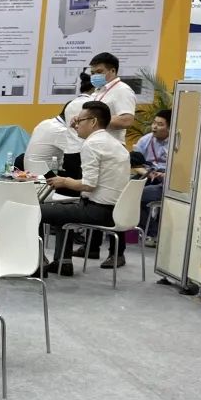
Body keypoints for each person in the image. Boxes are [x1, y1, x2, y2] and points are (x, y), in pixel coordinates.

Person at [40, 102, 131, 276]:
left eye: (79, 120)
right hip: (116, 210)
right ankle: (63, 263)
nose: (76, 124)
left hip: (98, 211)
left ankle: (36, 263)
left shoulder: (92, 144)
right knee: (61, 211)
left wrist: (64, 181)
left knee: (36, 210)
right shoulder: (115, 144)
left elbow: (88, 185)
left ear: (93, 121)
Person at [132, 108, 170, 244]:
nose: (154, 127)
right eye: (154, 123)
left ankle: (153, 234)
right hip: (148, 176)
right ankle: (151, 232)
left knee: (138, 194)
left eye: (160, 124)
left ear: (170, 128)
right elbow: (135, 164)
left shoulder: (177, 144)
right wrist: (147, 173)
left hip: (166, 181)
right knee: (129, 192)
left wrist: (164, 175)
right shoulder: (145, 140)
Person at [25, 103, 84, 175]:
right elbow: (80, 153)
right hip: (46, 175)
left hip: (32, 171)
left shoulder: (45, 122)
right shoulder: (60, 130)